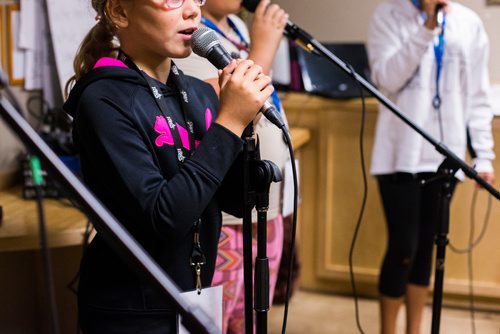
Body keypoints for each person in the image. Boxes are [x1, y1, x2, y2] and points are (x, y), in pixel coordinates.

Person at [63, 0, 275, 332]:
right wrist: (229, 123)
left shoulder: (198, 94)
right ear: (120, 12)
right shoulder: (104, 100)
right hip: (131, 311)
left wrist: (244, 126)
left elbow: (237, 200)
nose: (192, 11)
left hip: (192, 295)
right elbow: (162, 217)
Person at [367, 0, 496, 333]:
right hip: (401, 155)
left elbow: (478, 95)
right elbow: (386, 78)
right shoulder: (388, 14)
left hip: (446, 156)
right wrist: (426, 27)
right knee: (403, 247)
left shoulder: (468, 22)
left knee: (427, 248)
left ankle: (415, 329)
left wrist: (483, 155)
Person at [174, 0, 290, 332]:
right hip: (223, 215)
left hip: (260, 205)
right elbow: (215, 98)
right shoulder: (188, 38)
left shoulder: (238, 28)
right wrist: (264, 48)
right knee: (218, 319)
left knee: (252, 314)